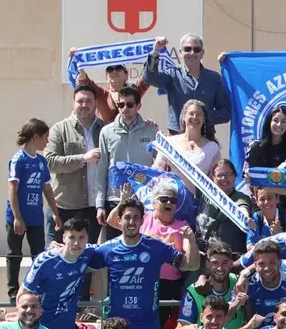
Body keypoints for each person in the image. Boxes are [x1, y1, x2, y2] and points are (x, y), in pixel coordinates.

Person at [99, 197, 200, 329]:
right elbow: (82, 261)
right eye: (127, 217)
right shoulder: (108, 249)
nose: (131, 222)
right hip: (117, 326)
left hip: (147, 326)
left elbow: (191, 265)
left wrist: (191, 241)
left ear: (142, 221)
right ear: (119, 220)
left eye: (136, 218)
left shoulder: (156, 247)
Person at [107, 180, 190, 329]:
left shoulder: (182, 226)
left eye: (173, 200)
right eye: (164, 199)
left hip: (169, 284)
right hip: (142, 281)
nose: (169, 203)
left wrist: (190, 240)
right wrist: (123, 202)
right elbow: (112, 221)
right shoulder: (143, 218)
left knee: (159, 324)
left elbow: (189, 260)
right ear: (153, 201)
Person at [21, 217, 104, 329]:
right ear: (64, 237)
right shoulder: (45, 260)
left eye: (81, 238)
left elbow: (114, 247)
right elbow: (23, 293)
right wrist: (22, 324)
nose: (76, 243)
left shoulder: (88, 253)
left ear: (87, 239)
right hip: (41, 327)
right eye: (71, 237)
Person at [6, 119, 60, 302]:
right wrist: (17, 217)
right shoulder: (18, 160)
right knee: (15, 252)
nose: (47, 142)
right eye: (45, 138)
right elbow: (12, 189)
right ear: (35, 137)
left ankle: (36, 288)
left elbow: (47, 189)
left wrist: (55, 212)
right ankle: (13, 290)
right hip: (18, 217)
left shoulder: (41, 161)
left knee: (38, 254)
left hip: (36, 217)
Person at [94, 85, 159, 239]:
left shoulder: (151, 131)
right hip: (115, 201)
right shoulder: (107, 132)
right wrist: (100, 205)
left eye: (130, 105)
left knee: (142, 250)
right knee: (115, 253)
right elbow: (102, 169)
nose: (125, 108)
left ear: (138, 106)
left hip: (143, 201)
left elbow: (159, 166)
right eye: (121, 105)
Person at [44, 84, 104, 246]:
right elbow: (50, 162)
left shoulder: (105, 130)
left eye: (89, 101)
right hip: (63, 206)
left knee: (86, 261)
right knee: (55, 258)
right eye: (80, 101)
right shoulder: (59, 130)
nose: (84, 105)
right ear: (73, 103)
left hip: (93, 207)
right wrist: (83, 158)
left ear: (96, 103)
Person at [145, 34, 231, 134]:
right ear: (181, 52)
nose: (192, 52)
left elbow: (225, 113)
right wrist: (156, 51)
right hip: (176, 137)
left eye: (197, 49)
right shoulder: (172, 75)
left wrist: (202, 117)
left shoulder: (214, 78)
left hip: (205, 137)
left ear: (202, 53)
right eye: (187, 49)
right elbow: (150, 78)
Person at [153, 99, 221, 193]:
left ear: (204, 118)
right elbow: (157, 170)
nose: (195, 117)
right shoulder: (169, 143)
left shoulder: (212, 148)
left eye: (199, 114)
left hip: (198, 203)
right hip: (172, 201)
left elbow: (215, 179)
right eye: (191, 113)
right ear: (184, 117)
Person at [177, 241, 246, 329]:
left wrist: (245, 273)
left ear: (231, 263)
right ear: (208, 264)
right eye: (215, 263)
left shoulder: (240, 283)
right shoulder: (193, 292)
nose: (220, 268)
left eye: (225, 263)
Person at [196, 158, 255, 254]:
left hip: (231, 259)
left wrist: (245, 217)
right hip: (205, 257)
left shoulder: (241, 197)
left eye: (228, 174)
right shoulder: (205, 196)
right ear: (213, 178)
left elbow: (243, 208)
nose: (223, 178)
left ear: (235, 176)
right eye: (219, 175)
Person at [71, 54, 151, 122]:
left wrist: (156, 52)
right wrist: (76, 60)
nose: (114, 71)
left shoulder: (133, 92)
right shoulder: (101, 94)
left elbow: (148, 76)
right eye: (110, 69)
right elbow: (84, 80)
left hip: (129, 137)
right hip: (106, 138)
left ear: (126, 75)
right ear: (106, 77)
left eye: (118, 68)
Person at [244, 106, 286, 176]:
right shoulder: (256, 147)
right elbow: (246, 173)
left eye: (283, 121)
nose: (279, 124)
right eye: (276, 120)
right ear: (269, 122)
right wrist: (247, 177)